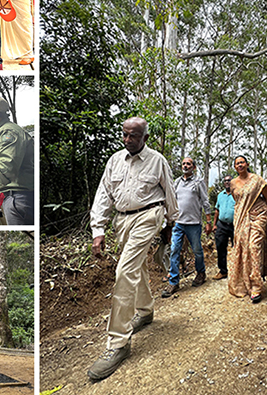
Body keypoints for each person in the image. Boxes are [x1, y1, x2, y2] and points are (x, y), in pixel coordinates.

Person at [87, 117, 179, 381]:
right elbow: (103, 195)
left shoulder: (157, 160)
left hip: (149, 215)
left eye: (134, 136)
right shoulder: (115, 160)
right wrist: (98, 230)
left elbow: (169, 194)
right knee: (135, 266)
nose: (128, 140)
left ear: (145, 138)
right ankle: (146, 310)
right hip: (122, 219)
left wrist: (171, 224)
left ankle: (118, 344)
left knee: (124, 271)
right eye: (125, 135)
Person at [228, 155, 267, 303]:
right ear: (235, 167)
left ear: (247, 164)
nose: (240, 165)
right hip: (241, 217)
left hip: (258, 215)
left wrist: (257, 210)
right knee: (242, 247)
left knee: (254, 246)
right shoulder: (233, 183)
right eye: (237, 163)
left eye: (242, 162)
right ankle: (243, 281)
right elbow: (239, 202)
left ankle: (256, 285)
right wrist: (244, 211)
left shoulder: (257, 180)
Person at [162, 157, 209, 298]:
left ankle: (201, 273)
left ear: (194, 167)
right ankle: (174, 281)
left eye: (188, 164)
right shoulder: (177, 182)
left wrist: (208, 221)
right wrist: (168, 220)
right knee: (174, 250)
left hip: (194, 223)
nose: (185, 166)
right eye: (183, 163)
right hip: (179, 223)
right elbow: (171, 201)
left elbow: (205, 201)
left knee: (197, 250)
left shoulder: (198, 182)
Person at [211, 175, 235, 280]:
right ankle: (223, 271)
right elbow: (217, 210)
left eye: (229, 180)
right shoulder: (220, 195)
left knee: (238, 248)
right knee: (220, 247)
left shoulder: (237, 194)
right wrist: (214, 224)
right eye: (225, 181)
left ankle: (238, 271)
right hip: (222, 225)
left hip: (235, 225)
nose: (227, 182)